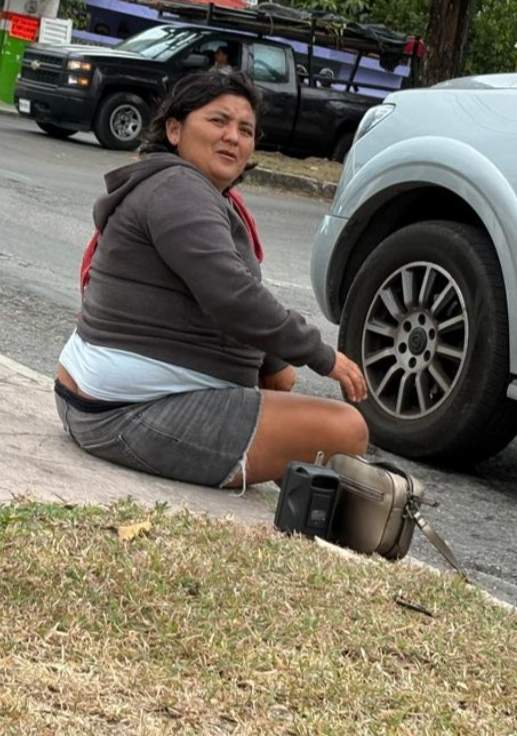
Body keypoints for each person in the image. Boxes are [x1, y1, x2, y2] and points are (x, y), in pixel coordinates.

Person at [55, 69, 369, 489]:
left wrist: (276, 364)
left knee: (283, 382)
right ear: (174, 130)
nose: (233, 137)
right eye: (218, 121)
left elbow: (231, 289)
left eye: (245, 130)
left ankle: (284, 467)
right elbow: (231, 296)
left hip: (103, 402)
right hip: (122, 413)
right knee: (347, 430)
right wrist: (321, 355)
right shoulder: (178, 188)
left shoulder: (193, 190)